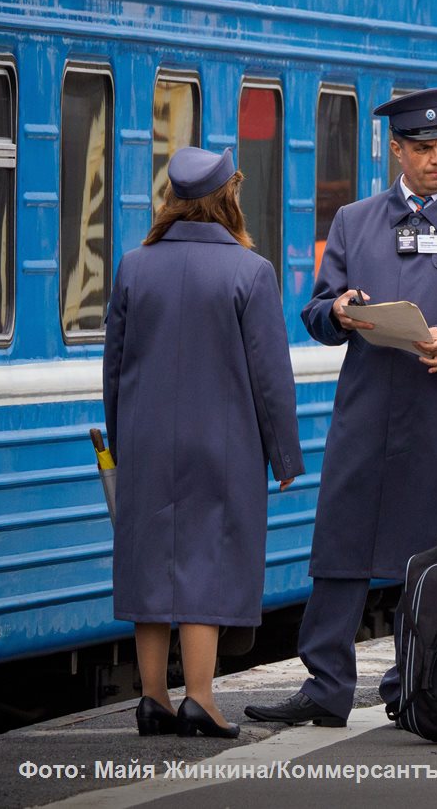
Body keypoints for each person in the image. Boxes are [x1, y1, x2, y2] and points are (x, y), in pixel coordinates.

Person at [245, 87, 437, 728]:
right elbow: (316, 312)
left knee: (436, 560)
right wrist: (339, 311)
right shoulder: (354, 222)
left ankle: (417, 687)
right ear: (395, 150)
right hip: (366, 416)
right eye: (424, 148)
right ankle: (325, 688)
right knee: (340, 552)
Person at [103, 147, 304, 738]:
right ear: (226, 199)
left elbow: (114, 368)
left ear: (172, 201)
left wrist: (124, 441)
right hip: (223, 448)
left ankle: (152, 699)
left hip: (144, 442)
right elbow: (270, 377)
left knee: (150, 565)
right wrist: (284, 455)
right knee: (206, 564)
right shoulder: (250, 271)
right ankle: (200, 700)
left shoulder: (133, 267)